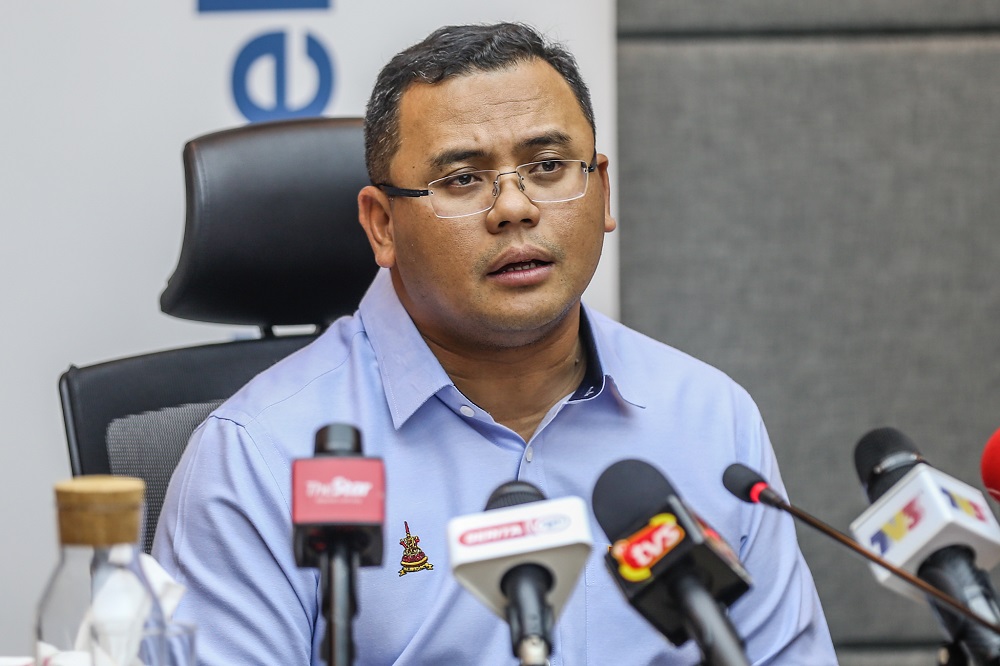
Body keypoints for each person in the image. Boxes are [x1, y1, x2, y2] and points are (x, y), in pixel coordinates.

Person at [153, 21, 838, 665]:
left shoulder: (710, 420)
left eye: (548, 166)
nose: (515, 207)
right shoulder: (261, 457)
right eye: (462, 179)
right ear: (382, 224)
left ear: (602, 192)